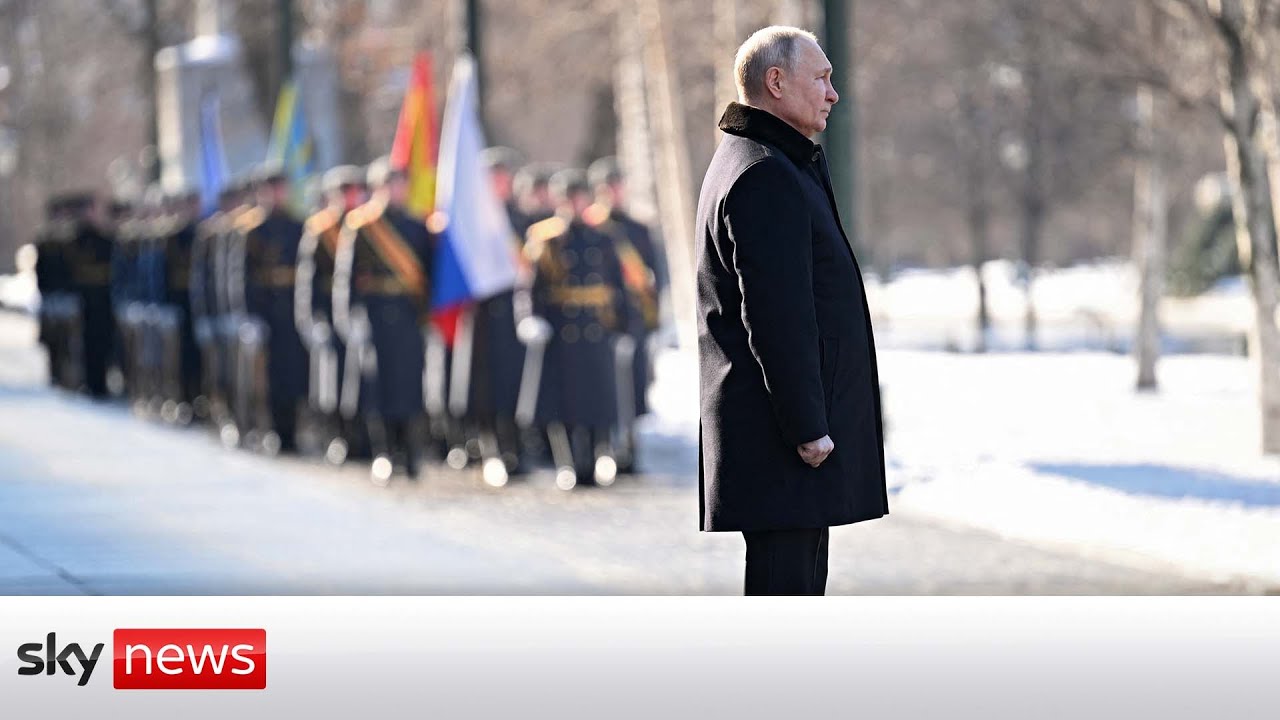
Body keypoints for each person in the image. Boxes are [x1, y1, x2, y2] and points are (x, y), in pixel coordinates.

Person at [695, 26, 888, 595]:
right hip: (785, 438)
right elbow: (778, 317)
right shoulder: (764, 173)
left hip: (780, 433)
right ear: (775, 82)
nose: (834, 93)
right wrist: (807, 426)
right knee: (787, 592)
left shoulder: (766, 161)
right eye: (822, 78)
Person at [516, 168, 633, 489]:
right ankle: (568, 462)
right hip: (562, 330)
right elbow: (530, 286)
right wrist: (530, 317)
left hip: (597, 328)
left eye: (581, 198)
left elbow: (617, 287)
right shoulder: (545, 240)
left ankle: (596, 460)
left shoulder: (604, 238)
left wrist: (625, 328)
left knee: (598, 402)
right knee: (563, 403)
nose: (576, 205)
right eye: (570, 199)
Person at [334, 157, 436, 483]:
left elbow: (429, 277)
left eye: (402, 184)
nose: (397, 191)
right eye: (390, 184)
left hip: (407, 316)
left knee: (410, 387)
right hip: (375, 316)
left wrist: (429, 317)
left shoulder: (418, 227)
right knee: (379, 388)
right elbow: (346, 280)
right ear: (377, 189)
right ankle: (385, 452)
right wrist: (352, 319)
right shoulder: (362, 228)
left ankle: (411, 454)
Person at [585, 156, 662, 473]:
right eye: (609, 187)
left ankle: (629, 446)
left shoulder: (638, 230)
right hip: (602, 319)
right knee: (602, 386)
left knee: (633, 385)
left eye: (619, 186)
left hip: (634, 318)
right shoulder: (590, 229)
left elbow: (655, 276)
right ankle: (604, 445)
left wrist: (653, 320)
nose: (615, 192)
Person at [233, 166, 309, 452]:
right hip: (267, 309)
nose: (277, 195)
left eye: (281, 188)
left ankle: (294, 431)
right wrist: (250, 315)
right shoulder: (253, 230)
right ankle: (273, 430)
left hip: (293, 306)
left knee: (295, 373)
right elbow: (244, 276)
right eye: (271, 189)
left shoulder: (299, 225)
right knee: (268, 377)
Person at [296, 165, 367, 463]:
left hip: (361, 310)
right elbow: (308, 281)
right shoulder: (321, 229)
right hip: (328, 311)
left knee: (362, 380)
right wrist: (311, 318)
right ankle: (337, 436)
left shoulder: (369, 227)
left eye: (354, 190)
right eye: (344, 191)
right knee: (331, 381)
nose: (350, 197)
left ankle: (362, 437)